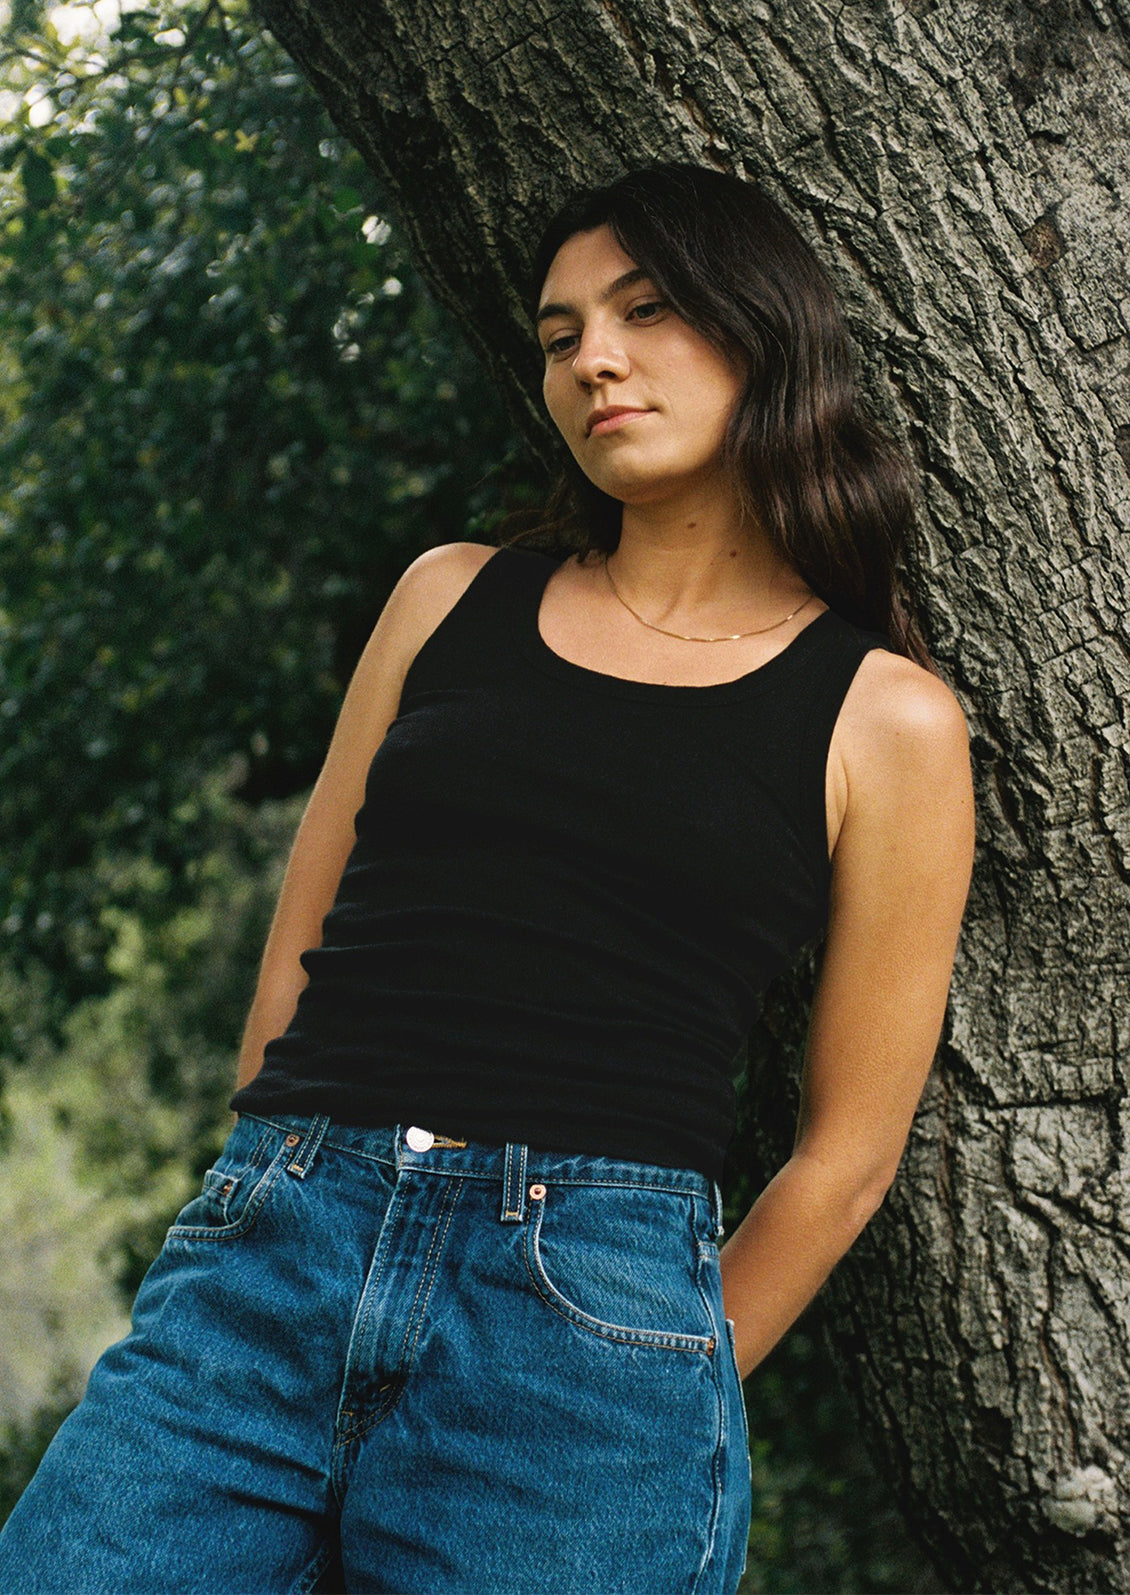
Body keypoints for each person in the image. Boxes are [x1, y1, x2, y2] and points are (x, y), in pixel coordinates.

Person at [0, 162, 975, 1595]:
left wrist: (660, 1370)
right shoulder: (449, 595)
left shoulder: (884, 720)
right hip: (272, 1255)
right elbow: (302, 948)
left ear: (762, 331)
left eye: (645, 311)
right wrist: (273, 1177)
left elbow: (843, 1160)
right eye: (558, 330)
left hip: (584, 1321)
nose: (593, 357)